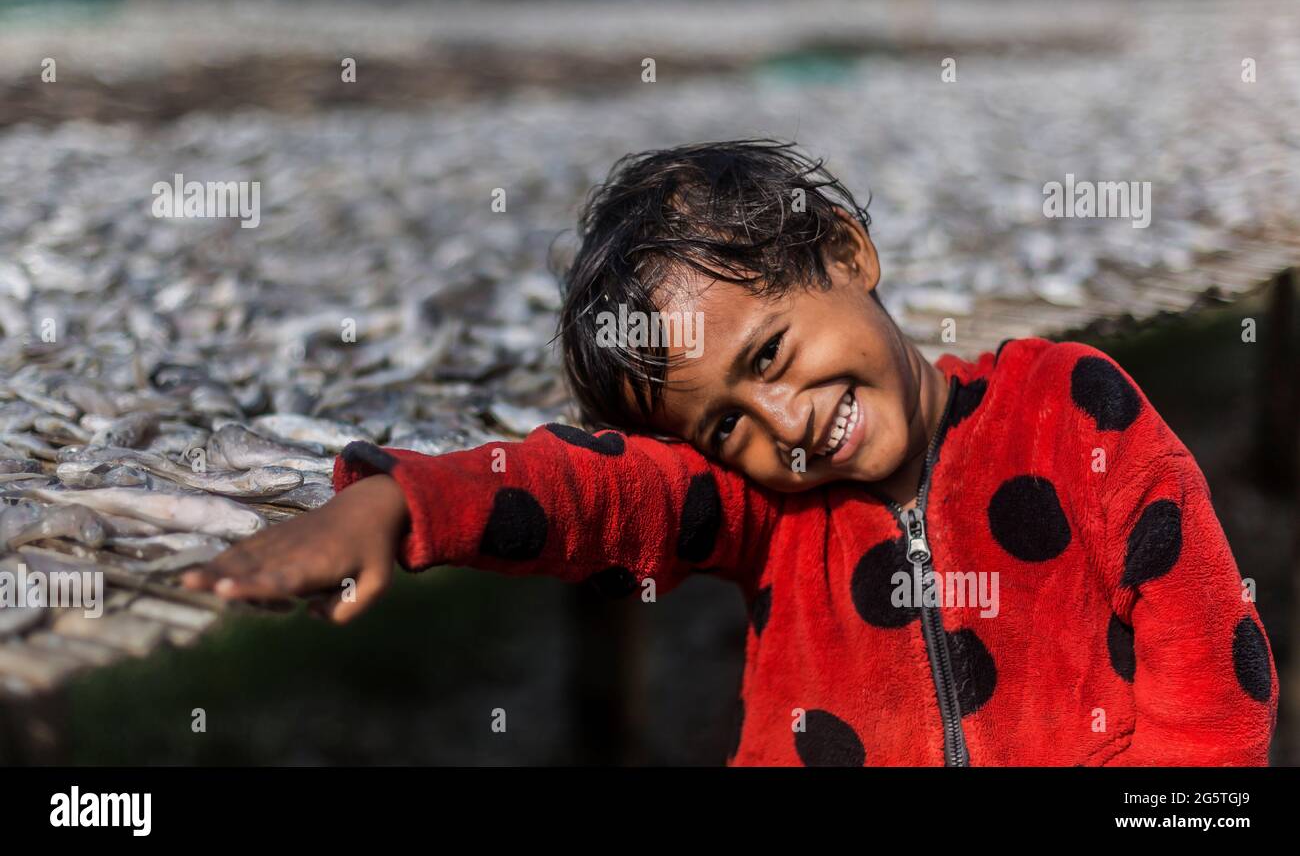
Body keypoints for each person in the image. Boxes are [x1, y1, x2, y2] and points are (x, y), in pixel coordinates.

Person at [183, 138, 1278, 765]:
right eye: (725, 424)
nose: (785, 424)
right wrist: (398, 506)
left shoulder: (1069, 408)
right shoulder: (766, 503)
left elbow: (1215, 689)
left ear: (848, 254)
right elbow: (587, 492)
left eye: (773, 352)